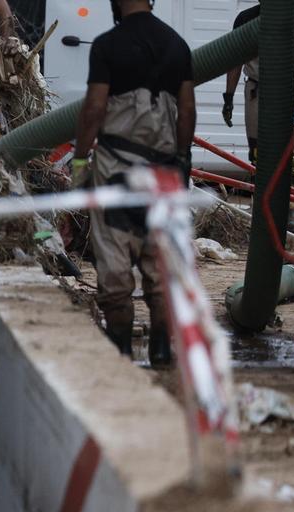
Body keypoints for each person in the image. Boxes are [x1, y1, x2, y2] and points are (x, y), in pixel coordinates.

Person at [71, 0, 195, 365]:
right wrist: (183, 159)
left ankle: (121, 346)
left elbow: (94, 109)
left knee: (114, 259)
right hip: (164, 173)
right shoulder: (176, 44)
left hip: (116, 171)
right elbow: (186, 110)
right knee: (159, 261)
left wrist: (80, 160)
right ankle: (160, 346)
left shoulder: (107, 45)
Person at [222, 1, 294, 233]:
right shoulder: (246, 19)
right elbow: (234, 60)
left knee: (291, 152)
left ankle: (291, 208)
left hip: (289, 89)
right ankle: (263, 206)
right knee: (259, 152)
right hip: (257, 90)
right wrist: (228, 96)